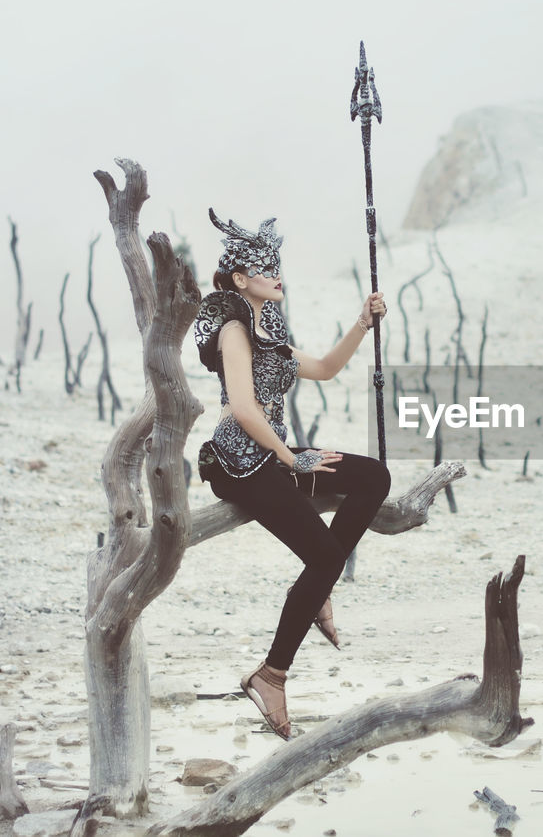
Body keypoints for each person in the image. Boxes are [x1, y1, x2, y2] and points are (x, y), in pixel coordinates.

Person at [193, 209, 390, 739]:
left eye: (277, 264)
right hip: (240, 463)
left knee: (374, 477)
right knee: (327, 555)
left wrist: (362, 324)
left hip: (275, 454)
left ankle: (317, 582)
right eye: (265, 267)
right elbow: (242, 408)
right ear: (239, 278)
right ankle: (271, 675)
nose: (277, 273)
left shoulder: (269, 331)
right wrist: (291, 458)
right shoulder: (234, 330)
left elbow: (325, 368)